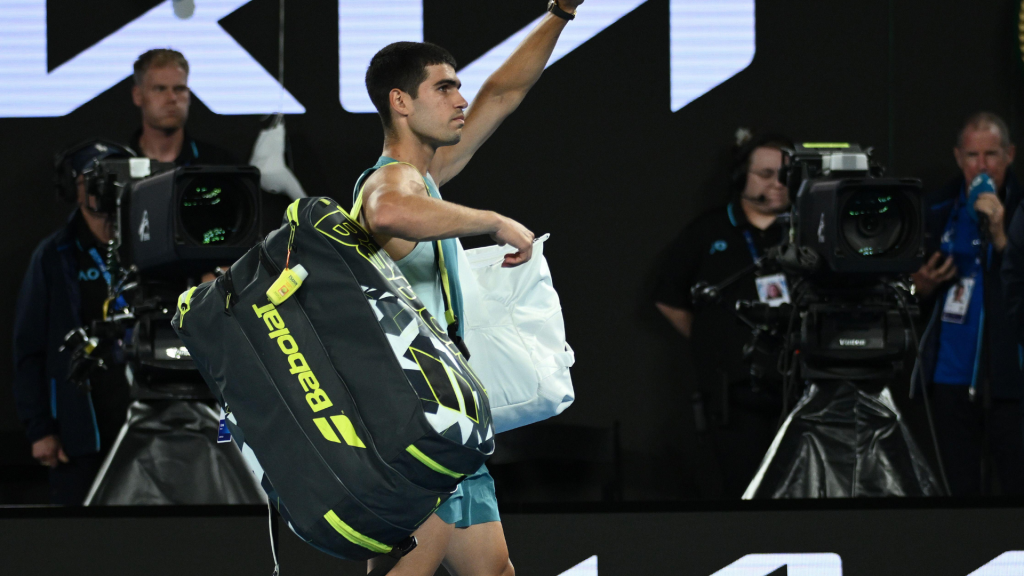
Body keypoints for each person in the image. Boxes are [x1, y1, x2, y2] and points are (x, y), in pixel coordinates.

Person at [355, 2, 582, 574]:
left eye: (458, 87)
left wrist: (561, 12)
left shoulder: (426, 178)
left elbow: (502, 93)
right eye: (444, 88)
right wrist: (492, 220)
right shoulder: (390, 179)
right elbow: (384, 211)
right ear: (400, 102)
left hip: (448, 425)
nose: (461, 99)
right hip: (411, 432)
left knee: (495, 571)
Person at [653, 132, 793, 498]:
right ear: (741, 176)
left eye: (785, 175)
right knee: (742, 490)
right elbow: (667, 297)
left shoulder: (806, 230)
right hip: (734, 394)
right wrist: (710, 337)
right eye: (766, 174)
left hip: (797, 390)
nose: (777, 184)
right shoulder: (709, 230)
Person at [12, 141, 136, 505]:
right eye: (93, 177)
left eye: (114, 176)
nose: (105, 186)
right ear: (73, 188)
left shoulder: (149, 244)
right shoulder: (54, 255)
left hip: (147, 421)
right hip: (79, 430)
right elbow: (29, 348)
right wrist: (40, 429)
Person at [912, 111, 1024, 496]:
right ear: (958, 157)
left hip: (1010, 381)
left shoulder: (1020, 210)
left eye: (991, 154)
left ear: (1010, 155)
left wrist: (1002, 239)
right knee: (957, 493)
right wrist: (921, 288)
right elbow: (908, 295)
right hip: (949, 380)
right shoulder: (936, 209)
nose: (982, 166)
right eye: (973, 156)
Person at [128, 49, 237, 166]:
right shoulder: (118, 163)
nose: (172, 98)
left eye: (179, 89)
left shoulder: (220, 165)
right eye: (160, 89)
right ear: (138, 95)